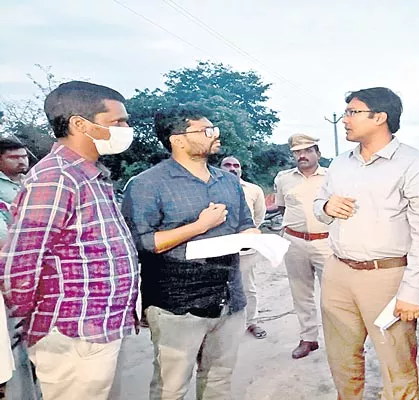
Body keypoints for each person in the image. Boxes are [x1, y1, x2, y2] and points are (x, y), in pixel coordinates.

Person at [0, 81, 139, 400]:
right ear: (79, 123)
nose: (125, 129)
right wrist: (38, 320)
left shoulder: (89, 175)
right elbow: (20, 261)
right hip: (74, 335)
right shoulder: (56, 177)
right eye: (117, 122)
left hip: (100, 328)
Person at [314, 87, 419, 400]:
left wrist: (413, 290)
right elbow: (321, 204)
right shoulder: (340, 163)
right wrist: (326, 207)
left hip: (386, 277)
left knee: (395, 361)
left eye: (352, 112)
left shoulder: (415, 164)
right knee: (341, 357)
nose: (344, 120)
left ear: (380, 117)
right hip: (339, 272)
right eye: (345, 112)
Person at [121, 107, 257, 400]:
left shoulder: (228, 181)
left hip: (229, 296)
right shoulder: (147, 184)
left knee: (219, 378)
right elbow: (142, 242)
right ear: (178, 140)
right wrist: (199, 226)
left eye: (214, 129)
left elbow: (245, 224)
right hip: (177, 303)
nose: (215, 135)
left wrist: (253, 237)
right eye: (206, 130)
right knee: (171, 386)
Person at [273, 134, 332, 359]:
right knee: (301, 292)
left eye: (307, 151)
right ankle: (309, 339)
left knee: (334, 295)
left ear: (318, 153)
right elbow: (281, 208)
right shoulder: (284, 178)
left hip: (326, 242)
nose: (302, 156)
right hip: (294, 241)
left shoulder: (332, 176)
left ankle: (341, 341)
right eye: (297, 152)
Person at [0, 138, 39, 400]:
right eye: (15, 157)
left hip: (34, 271)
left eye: (24, 156)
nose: (22, 161)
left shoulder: (27, 183)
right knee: (15, 346)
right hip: (12, 275)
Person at [220, 156, 268, 339]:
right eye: (228, 165)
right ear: (220, 167)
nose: (232, 168)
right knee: (220, 286)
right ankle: (223, 325)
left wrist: (245, 235)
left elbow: (258, 216)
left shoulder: (253, 190)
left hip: (246, 248)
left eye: (236, 165)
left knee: (247, 286)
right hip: (219, 247)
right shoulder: (209, 187)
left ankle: (251, 322)